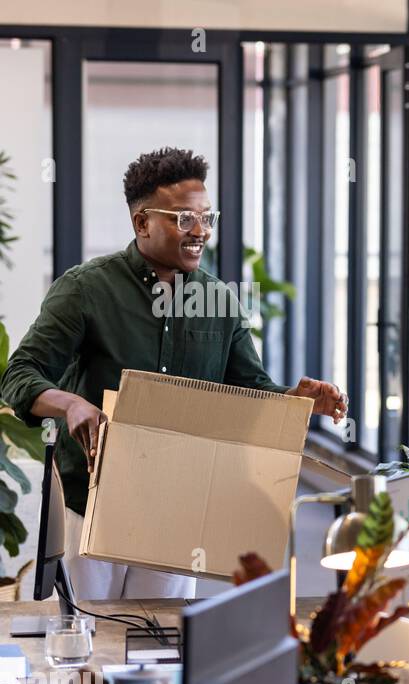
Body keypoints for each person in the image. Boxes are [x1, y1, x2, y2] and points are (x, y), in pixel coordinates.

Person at [0, 147, 347, 601]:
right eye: (184, 218)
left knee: (162, 647)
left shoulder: (220, 301)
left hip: (179, 509)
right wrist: (71, 404)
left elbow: (249, 392)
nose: (200, 231)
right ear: (142, 222)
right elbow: (19, 375)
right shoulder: (85, 290)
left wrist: (298, 399)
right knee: (90, 645)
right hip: (93, 505)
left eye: (207, 217)